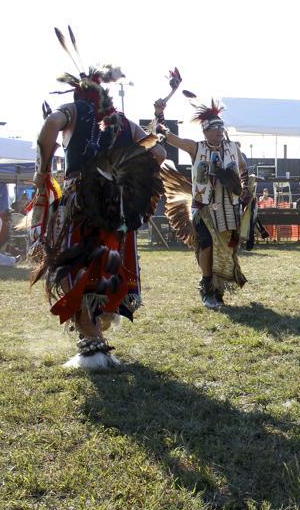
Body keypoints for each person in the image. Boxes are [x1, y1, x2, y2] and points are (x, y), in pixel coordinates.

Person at [29, 43, 165, 371]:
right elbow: (158, 153)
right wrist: (133, 177)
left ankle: (92, 343)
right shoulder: (123, 122)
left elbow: (50, 125)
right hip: (116, 206)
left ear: (79, 91)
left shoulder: (74, 110)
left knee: (70, 264)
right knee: (106, 266)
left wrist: (43, 171)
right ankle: (95, 335)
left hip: (81, 200)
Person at [157, 98, 250, 309]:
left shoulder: (233, 148)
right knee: (206, 243)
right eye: (214, 128)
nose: (219, 131)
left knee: (225, 249)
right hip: (203, 207)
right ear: (205, 131)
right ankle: (206, 287)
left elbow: (244, 168)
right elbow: (169, 136)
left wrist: (244, 188)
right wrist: (159, 114)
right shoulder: (195, 147)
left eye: (221, 127)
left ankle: (218, 289)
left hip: (228, 208)